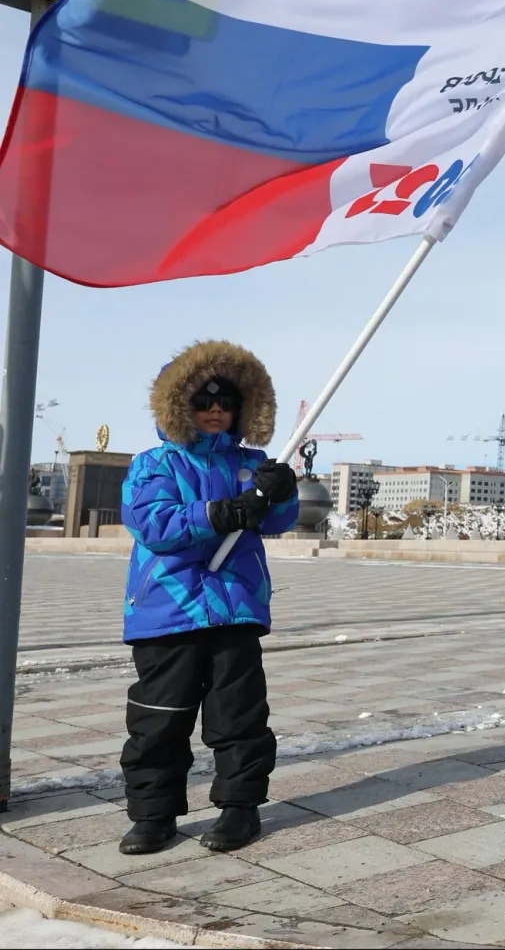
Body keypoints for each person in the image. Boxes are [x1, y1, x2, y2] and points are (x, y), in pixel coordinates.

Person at [118, 342, 300, 855]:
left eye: (226, 403)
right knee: (159, 717)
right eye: (203, 402)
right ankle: (152, 815)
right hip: (167, 611)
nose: (216, 410)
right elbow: (152, 523)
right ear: (180, 407)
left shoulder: (252, 465)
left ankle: (240, 808)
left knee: (239, 714)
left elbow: (279, 521)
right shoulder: (155, 463)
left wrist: (281, 492)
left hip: (236, 607)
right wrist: (218, 514)